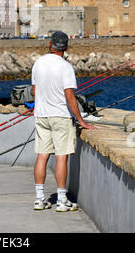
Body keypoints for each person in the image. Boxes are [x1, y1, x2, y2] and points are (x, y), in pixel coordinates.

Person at [31, 31, 96, 212]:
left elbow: (34, 92)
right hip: (60, 116)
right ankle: (61, 200)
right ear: (66, 47)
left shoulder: (38, 63)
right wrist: (80, 120)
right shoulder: (65, 67)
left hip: (41, 115)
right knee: (61, 156)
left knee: (42, 155)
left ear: (49, 45)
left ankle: (39, 199)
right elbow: (70, 97)